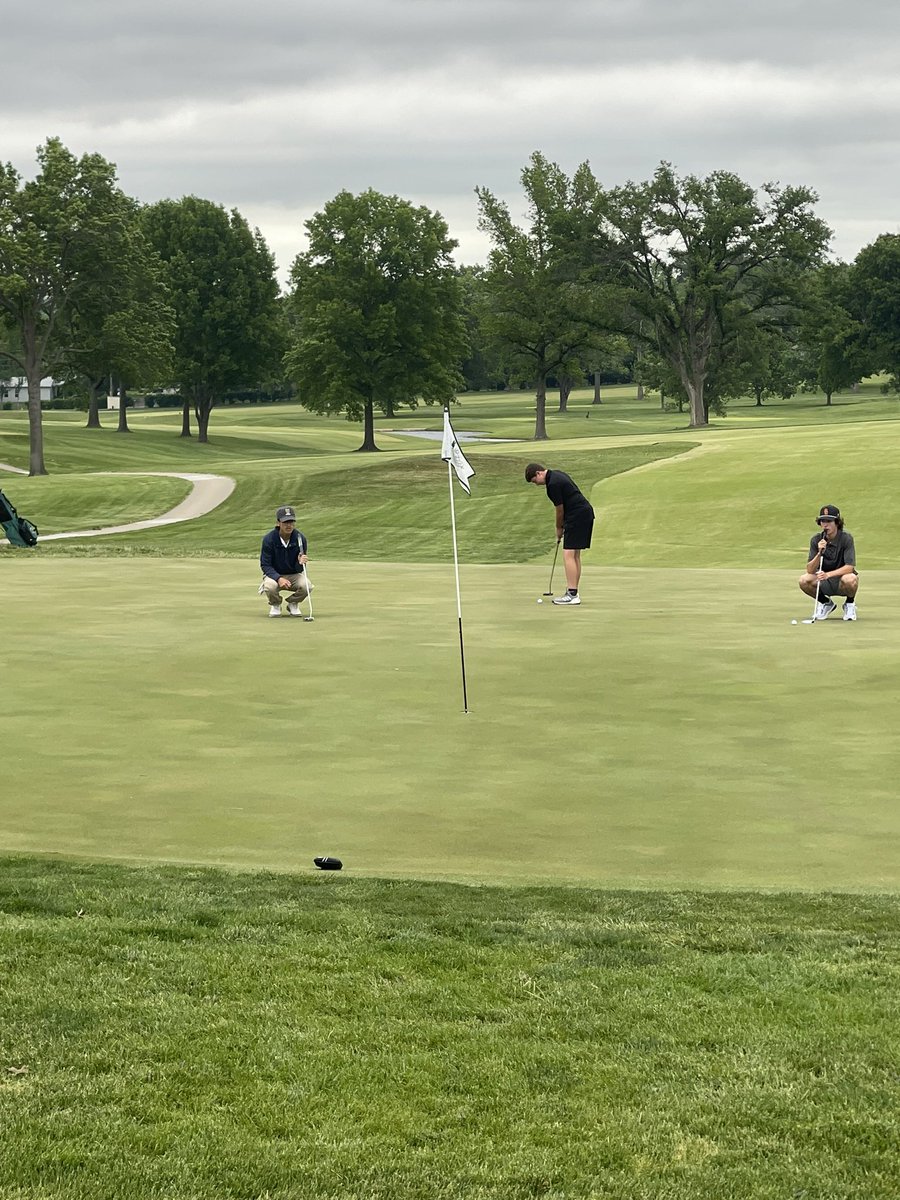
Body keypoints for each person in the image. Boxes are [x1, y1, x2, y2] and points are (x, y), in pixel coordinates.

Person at [524, 463, 595, 605]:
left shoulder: (552, 485)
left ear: (539, 473)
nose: (536, 484)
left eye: (534, 481)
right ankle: (573, 591)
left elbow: (559, 510)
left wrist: (558, 527)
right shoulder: (557, 474)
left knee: (568, 554)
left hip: (577, 516)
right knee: (575, 555)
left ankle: (572, 594)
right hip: (584, 514)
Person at [799, 504, 858, 621]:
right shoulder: (816, 540)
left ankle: (849, 604)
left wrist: (828, 575)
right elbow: (810, 570)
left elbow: (849, 567)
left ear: (837, 522)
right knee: (804, 580)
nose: (825, 524)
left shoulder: (846, 539)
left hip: (841, 581)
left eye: (829, 521)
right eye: (822, 521)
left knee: (851, 579)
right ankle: (826, 603)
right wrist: (819, 553)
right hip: (823, 581)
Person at [259, 505, 310, 617]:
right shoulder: (269, 539)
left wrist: (301, 563)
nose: (289, 525)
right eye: (286, 522)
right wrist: (278, 578)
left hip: (293, 574)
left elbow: (300, 569)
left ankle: (293, 603)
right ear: (278, 523)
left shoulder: (300, 538)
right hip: (274, 575)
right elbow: (265, 565)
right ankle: (276, 604)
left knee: (307, 586)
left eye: (291, 522)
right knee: (269, 586)